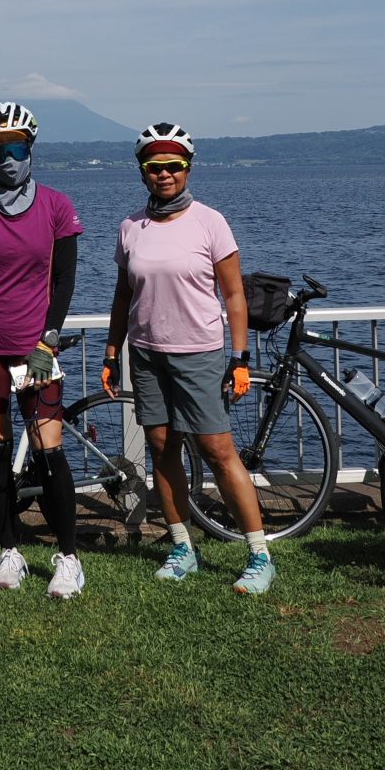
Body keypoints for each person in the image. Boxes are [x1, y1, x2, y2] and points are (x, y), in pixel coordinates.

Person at [101, 122, 274, 595]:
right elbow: (122, 296)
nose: (165, 174)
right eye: (154, 167)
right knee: (161, 447)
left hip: (199, 353)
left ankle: (259, 554)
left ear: (188, 168)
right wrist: (113, 350)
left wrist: (239, 357)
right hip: (147, 353)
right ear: (142, 173)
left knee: (218, 452)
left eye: (174, 165)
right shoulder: (130, 227)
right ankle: (183, 546)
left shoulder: (209, 222)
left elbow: (235, 295)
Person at [0, 102, 85, 597]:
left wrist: (48, 340)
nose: (8, 158)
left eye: (17, 149)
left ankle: (69, 559)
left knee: (50, 452)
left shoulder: (55, 205)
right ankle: (10, 551)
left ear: (31, 149)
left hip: (35, 344)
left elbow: (66, 280)